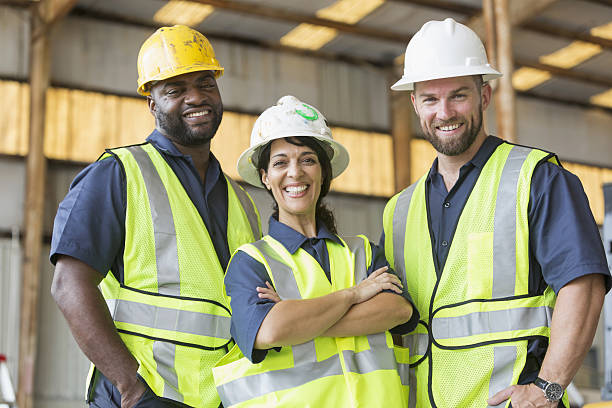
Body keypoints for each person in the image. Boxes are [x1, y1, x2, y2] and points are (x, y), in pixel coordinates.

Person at [381, 17, 611, 408]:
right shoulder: (398, 210)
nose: (445, 112)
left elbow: (583, 286)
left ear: (484, 96)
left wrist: (549, 387)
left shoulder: (537, 179)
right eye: (430, 100)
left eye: (458, 96)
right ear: (414, 104)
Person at [50, 25, 261, 408]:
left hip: (223, 397)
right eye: (175, 90)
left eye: (205, 84)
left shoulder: (242, 200)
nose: (196, 97)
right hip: (145, 396)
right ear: (152, 103)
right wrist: (131, 387)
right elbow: (69, 286)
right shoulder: (118, 174)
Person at [211, 95, 419, 407]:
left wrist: (300, 319)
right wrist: (353, 295)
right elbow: (269, 331)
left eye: (307, 159)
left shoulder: (361, 252)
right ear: (265, 178)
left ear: (323, 172)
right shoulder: (251, 263)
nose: (295, 173)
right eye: (281, 162)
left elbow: (398, 311)